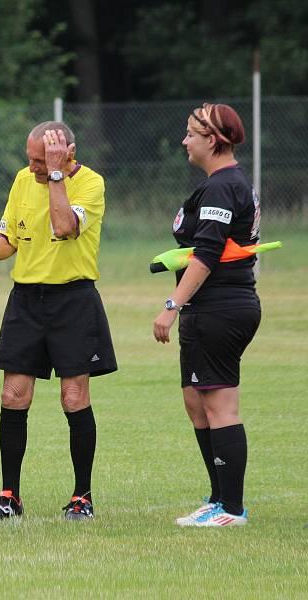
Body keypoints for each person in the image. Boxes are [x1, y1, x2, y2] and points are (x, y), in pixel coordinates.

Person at [0, 121, 117, 521]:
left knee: (74, 398)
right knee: (12, 397)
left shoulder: (91, 184)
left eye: (40, 160)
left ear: (66, 154)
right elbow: (9, 239)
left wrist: (55, 176)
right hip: (26, 301)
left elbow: (64, 226)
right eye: (31, 159)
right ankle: (9, 496)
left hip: (73, 299)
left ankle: (81, 497)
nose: (32, 167)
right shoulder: (23, 180)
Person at [154, 103, 260, 527]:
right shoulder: (220, 184)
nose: (185, 140)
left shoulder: (222, 186)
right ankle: (218, 497)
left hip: (221, 306)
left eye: (191, 133)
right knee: (196, 403)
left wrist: (170, 306)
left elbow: (208, 254)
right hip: (211, 307)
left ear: (212, 140)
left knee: (220, 405)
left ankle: (231, 509)